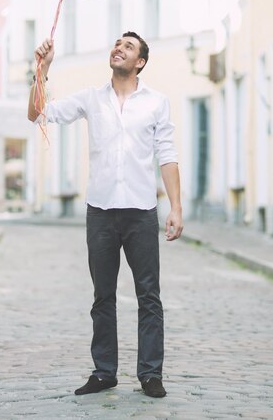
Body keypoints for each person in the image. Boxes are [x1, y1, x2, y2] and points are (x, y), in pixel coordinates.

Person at [28, 31, 183, 398]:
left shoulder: (157, 103)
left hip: (142, 212)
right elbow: (37, 114)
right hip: (100, 211)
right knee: (103, 297)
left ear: (140, 61)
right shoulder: (91, 99)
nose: (119, 48)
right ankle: (104, 372)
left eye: (128, 46)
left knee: (149, 296)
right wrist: (42, 71)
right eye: (117, 43)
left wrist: (175, 207)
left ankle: (150, 374)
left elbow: (167, 154)